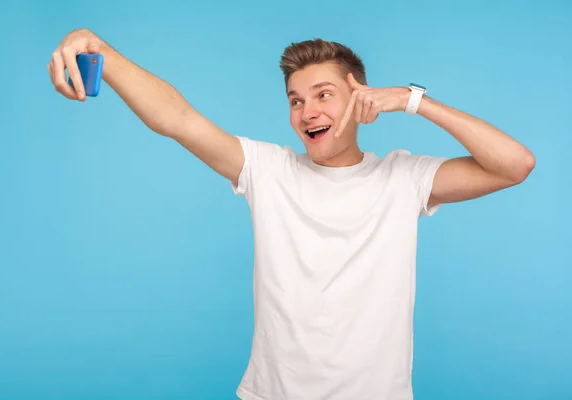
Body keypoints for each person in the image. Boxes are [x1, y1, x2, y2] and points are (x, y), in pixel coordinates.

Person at [48, 29, 535, 400]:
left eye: (324, 95)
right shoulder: (268, 169)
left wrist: (413, 101)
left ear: (360, 98)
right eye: (296, 100)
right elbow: (177, 119)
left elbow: (516, 165)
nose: (307, 112)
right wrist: (99, 50)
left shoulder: (404, 177)